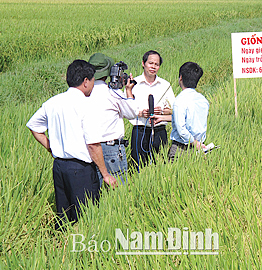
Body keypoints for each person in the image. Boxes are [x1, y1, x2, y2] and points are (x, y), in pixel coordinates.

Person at [26, 59, 118, 229]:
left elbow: (33, 126)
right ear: (85, 81)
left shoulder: (53, 102)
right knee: (86, 218)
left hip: (59, 167)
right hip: (80, 170)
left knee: (64, 216)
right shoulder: (86, 105)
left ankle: (62, 247)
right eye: (92, 81)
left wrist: (51, 148)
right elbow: (93, 145)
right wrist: (105, 174)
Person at [87, 53, 139, 186]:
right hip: (111, 149)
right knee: (118, 191)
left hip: (89, 148)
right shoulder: (112, 93)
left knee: (94, 192)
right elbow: (132, 112)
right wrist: (128, 91)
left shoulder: (83, 92)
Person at [151, 62, 209, 161]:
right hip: (199, 148)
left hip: (181, 149)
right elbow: (191, 119)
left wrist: (194, 142)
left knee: (176, 175)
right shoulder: (203, 100)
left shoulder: (179, 100)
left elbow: (181, 130)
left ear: (180, 77)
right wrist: (162, 118)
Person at [128, 50, 175, 168]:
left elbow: (173, 109)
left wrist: (162, 111)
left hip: (159, 130)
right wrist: (141, 113)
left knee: (160, 165)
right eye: (150, 63)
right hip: (140, 130)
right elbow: (126, 110)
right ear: (143, 63)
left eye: (156, 64)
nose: (153, 67)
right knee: (137, 166)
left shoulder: (165, 85)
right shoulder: (134, 84)